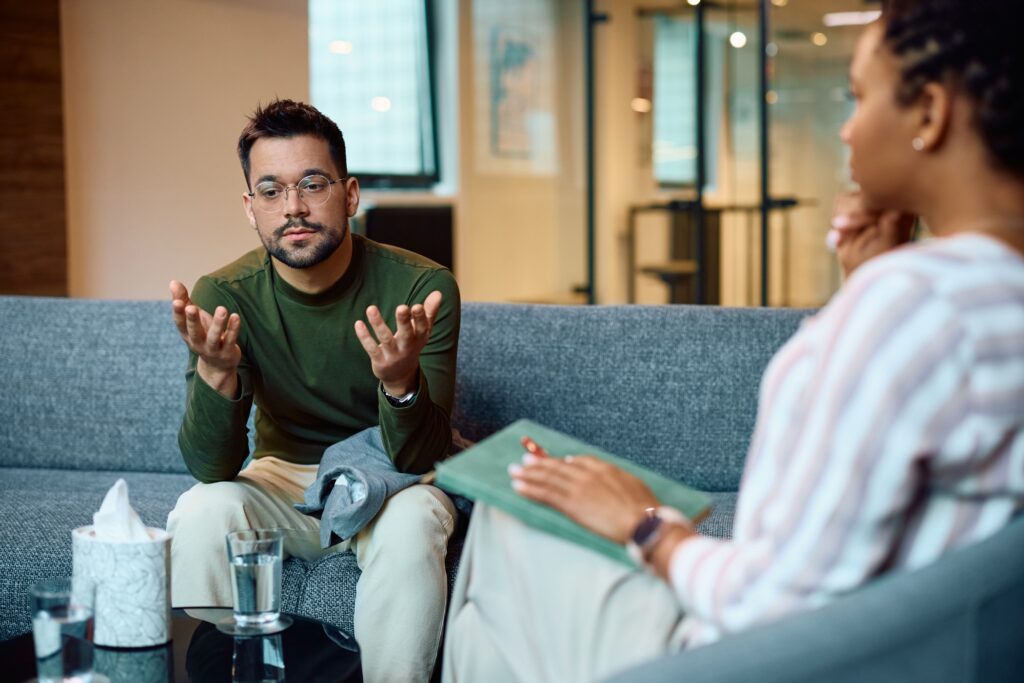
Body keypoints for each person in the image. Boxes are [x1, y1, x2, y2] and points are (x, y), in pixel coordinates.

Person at [443, 1, 1024, 680]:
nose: (846, 127)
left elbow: (768, 602)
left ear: (928, 112)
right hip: (886, 644)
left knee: (507, 510)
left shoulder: (915, 304)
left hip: (738, 654)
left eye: (858, 96)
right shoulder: (974, 295)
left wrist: (646, 523)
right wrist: (863, 284)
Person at [165, 99, 460, 683]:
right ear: (250, 208)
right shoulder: (226, 292)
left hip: (393, 480)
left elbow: (419, 457)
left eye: (312, 184)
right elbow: (212, 466)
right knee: (202, 510)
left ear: (349, 194)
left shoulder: (422, 287)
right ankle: (249, 662)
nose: (293, 208)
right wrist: (216, 374)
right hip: (283, 475)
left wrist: (400, 383)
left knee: (414, 522)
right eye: (270, 191)